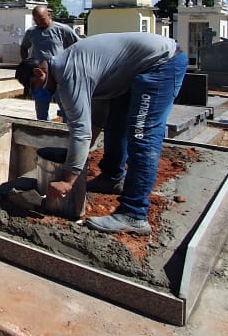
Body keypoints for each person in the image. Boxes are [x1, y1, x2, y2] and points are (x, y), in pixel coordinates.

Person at [29, 32, 188, 234]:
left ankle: (134, 213)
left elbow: (81, 131)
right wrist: (78, 156)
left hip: (161, 64)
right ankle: (112, 178)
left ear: (39, 72)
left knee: (142, 135)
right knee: (116, 123)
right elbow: (97, 119)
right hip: (136, 69)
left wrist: (67, 180)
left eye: (33, 86)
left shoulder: (69, 74)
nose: (37, 92)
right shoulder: (68, 65)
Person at [18, 7, 79, 121]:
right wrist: (26, 63)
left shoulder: (63, 29)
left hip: (59, 76)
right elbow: (24, 47)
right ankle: (44, 128)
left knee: (66, 109)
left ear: (49, 15)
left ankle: (67, 129)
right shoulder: (31, 32)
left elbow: (78, 46)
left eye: (41, 19)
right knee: (41, 110)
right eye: (36, 20)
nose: (39, 22)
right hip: (40, 77)